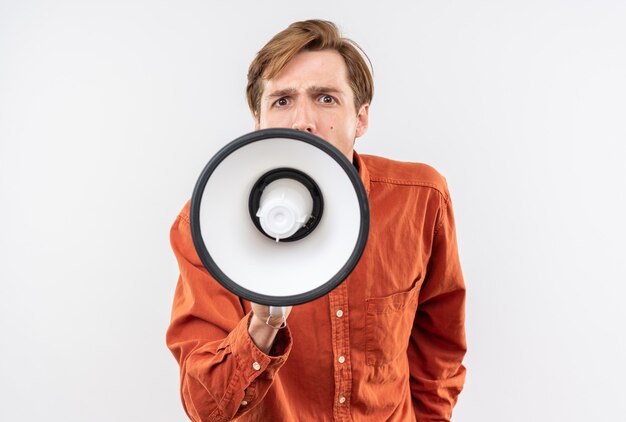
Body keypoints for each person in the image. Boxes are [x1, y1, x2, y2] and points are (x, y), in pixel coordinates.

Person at [166, 19, 467, 421]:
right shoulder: (207, 224)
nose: (302, 122)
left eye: (325, 99)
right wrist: (261, 326)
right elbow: (206, 408)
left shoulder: (420, 199)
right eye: (282, 100)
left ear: (360, 118)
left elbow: (439, 350)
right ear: (258, 121)